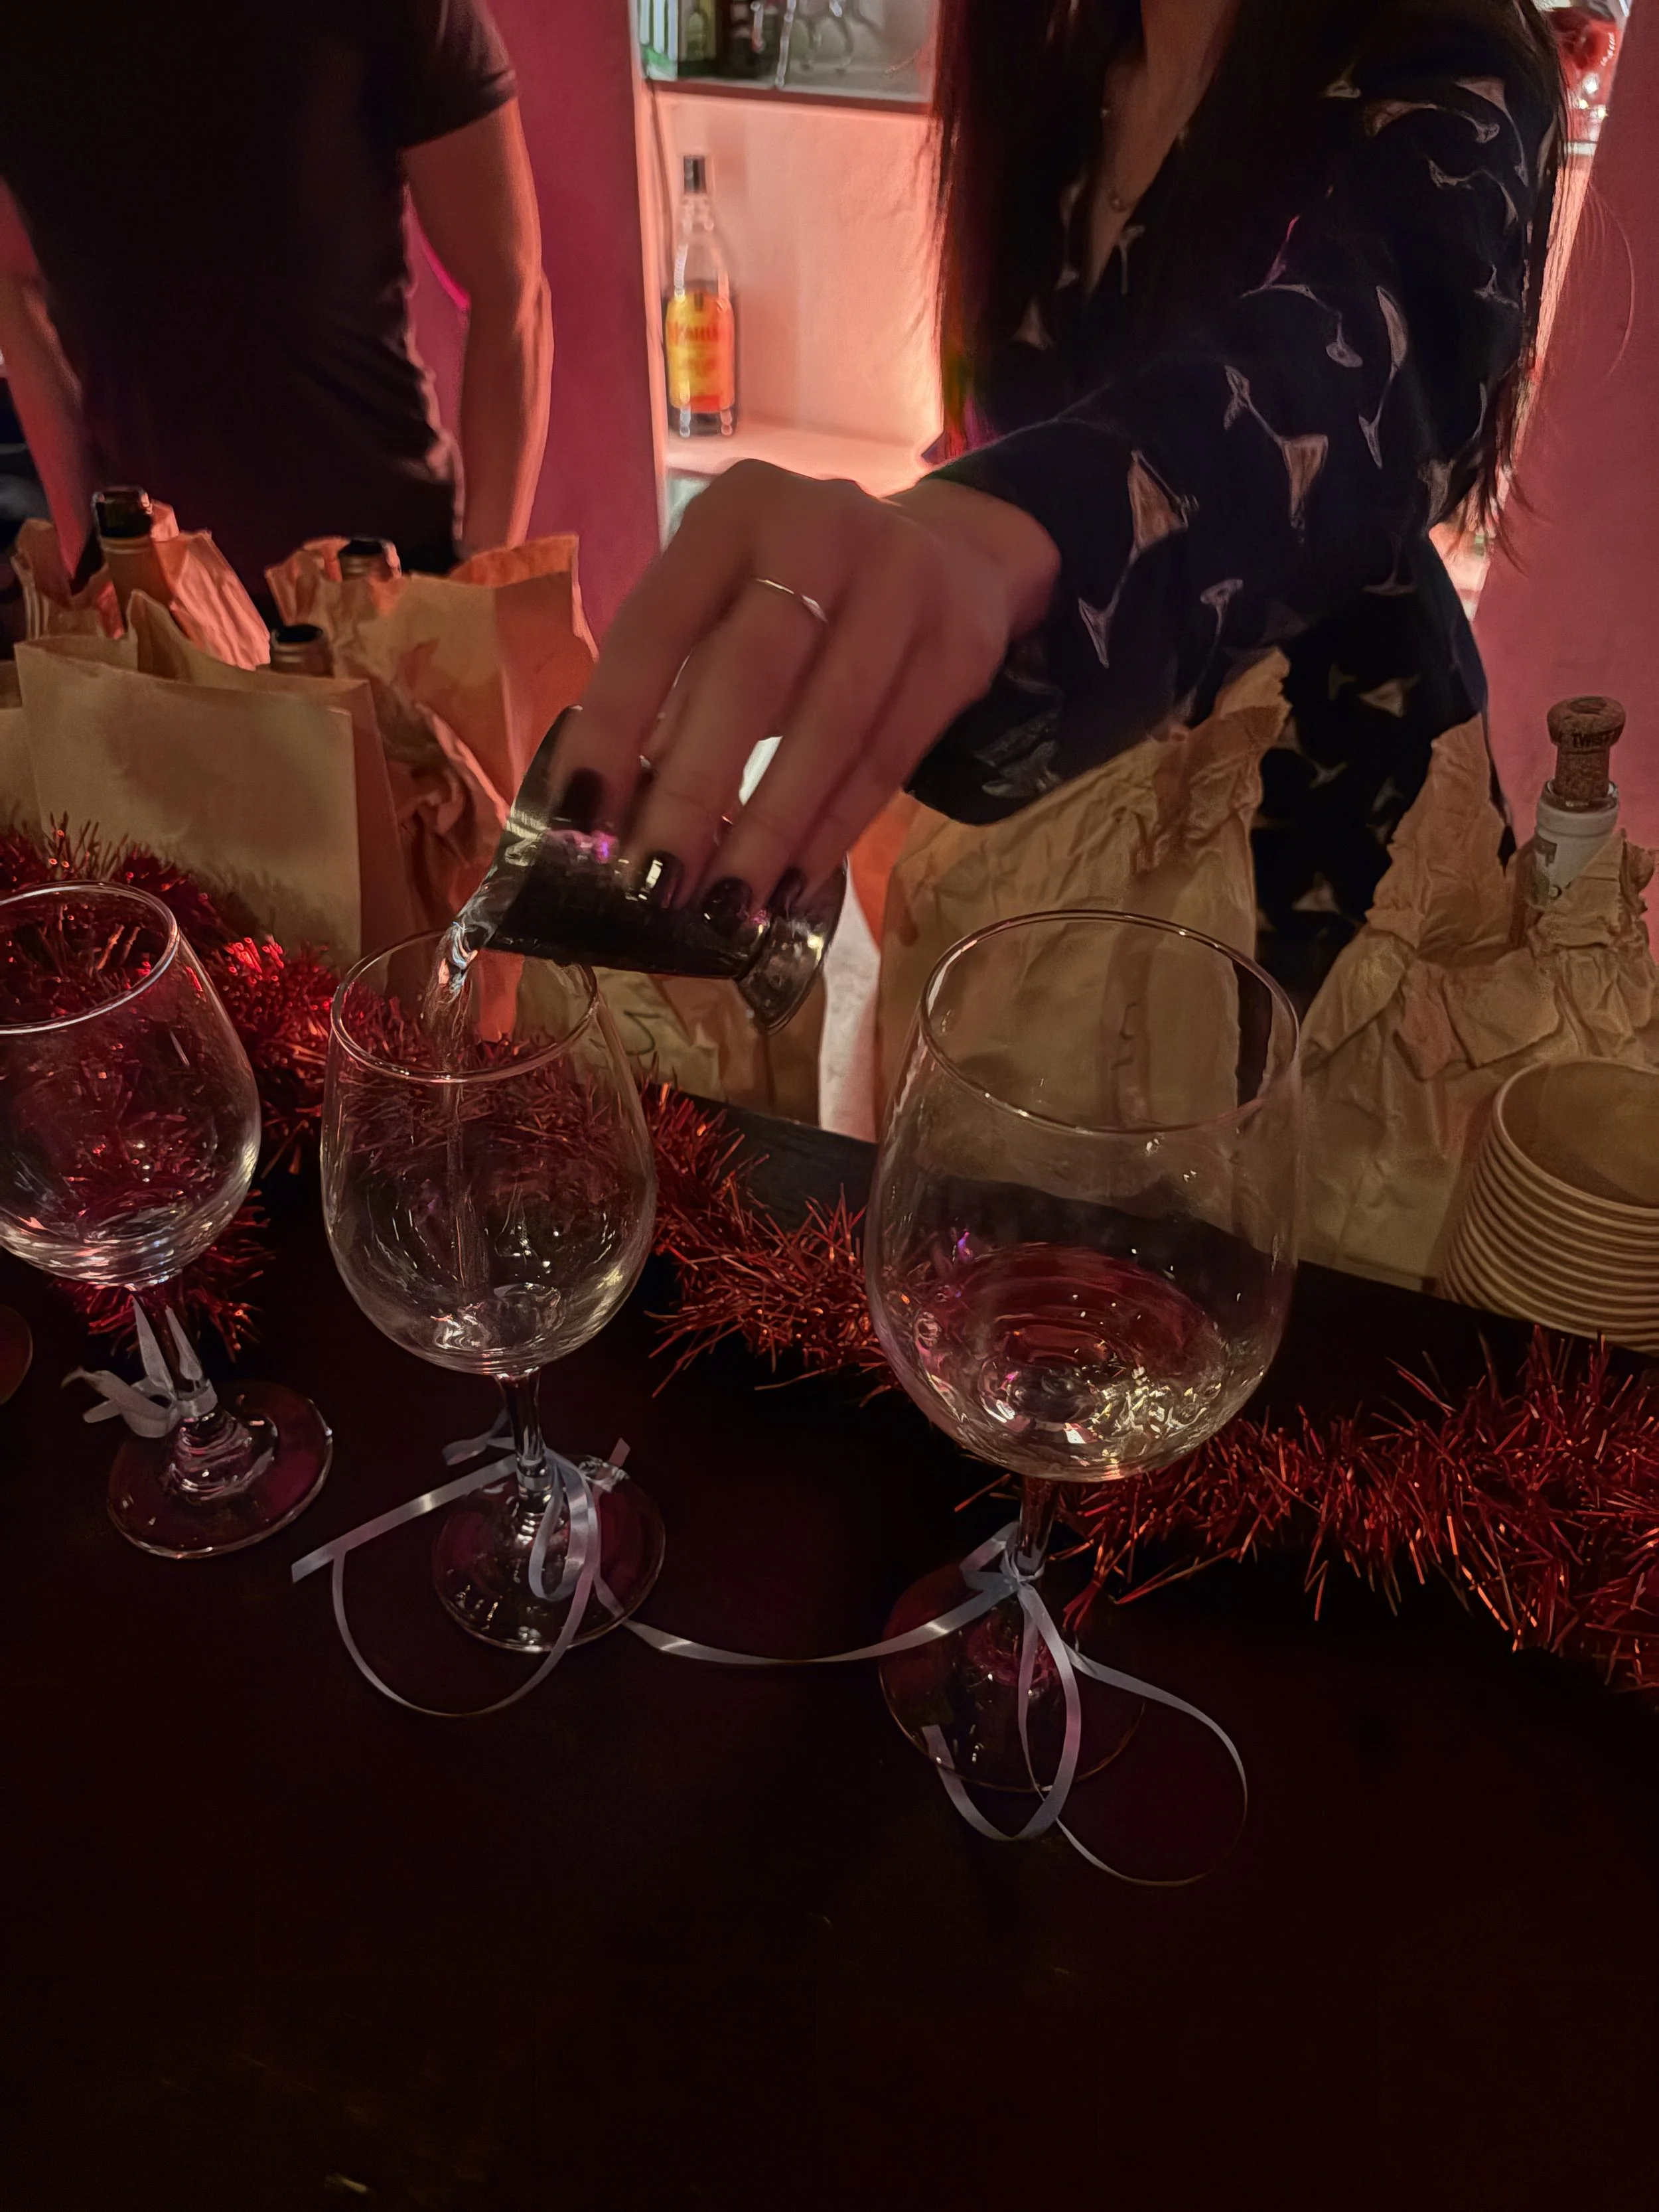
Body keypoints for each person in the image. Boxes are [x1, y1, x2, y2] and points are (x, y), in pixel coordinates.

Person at [547, 0, 1561, 997]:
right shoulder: (1061, 66)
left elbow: (1375, 347)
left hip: (1336, 852)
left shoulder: (1445, 58)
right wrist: (920, 557)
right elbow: (1019, 419)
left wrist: (993, 535)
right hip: (1061, 839)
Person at [0, 0, 552, 591]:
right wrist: (85, 546)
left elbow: (508, 290)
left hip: (383, 584)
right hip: (160, 602)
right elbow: (13, 287)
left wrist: (479, 585)